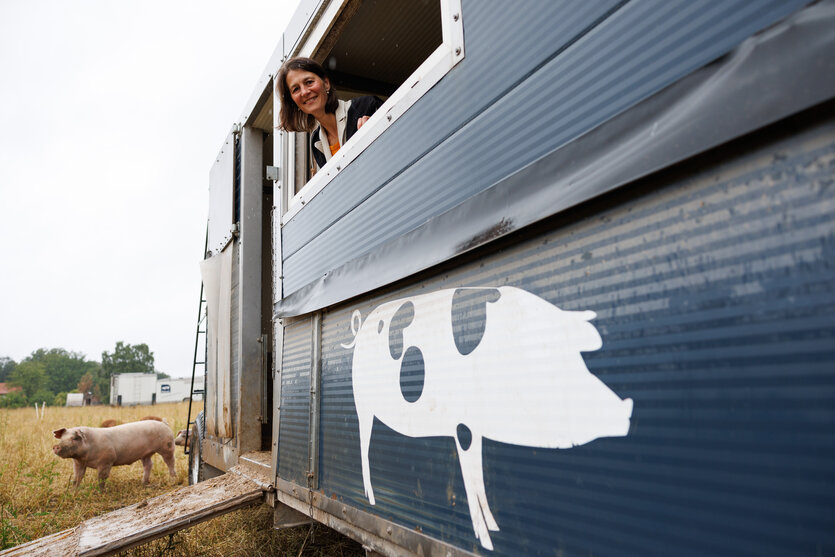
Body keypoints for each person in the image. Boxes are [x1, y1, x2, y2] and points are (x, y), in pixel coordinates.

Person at [277, 57, 383, 172]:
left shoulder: (366, 107)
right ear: (293, 101)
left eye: (309, 82)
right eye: (296, 89)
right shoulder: (316, 142)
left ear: (326, 83)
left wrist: (378, 133)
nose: (304, 92)